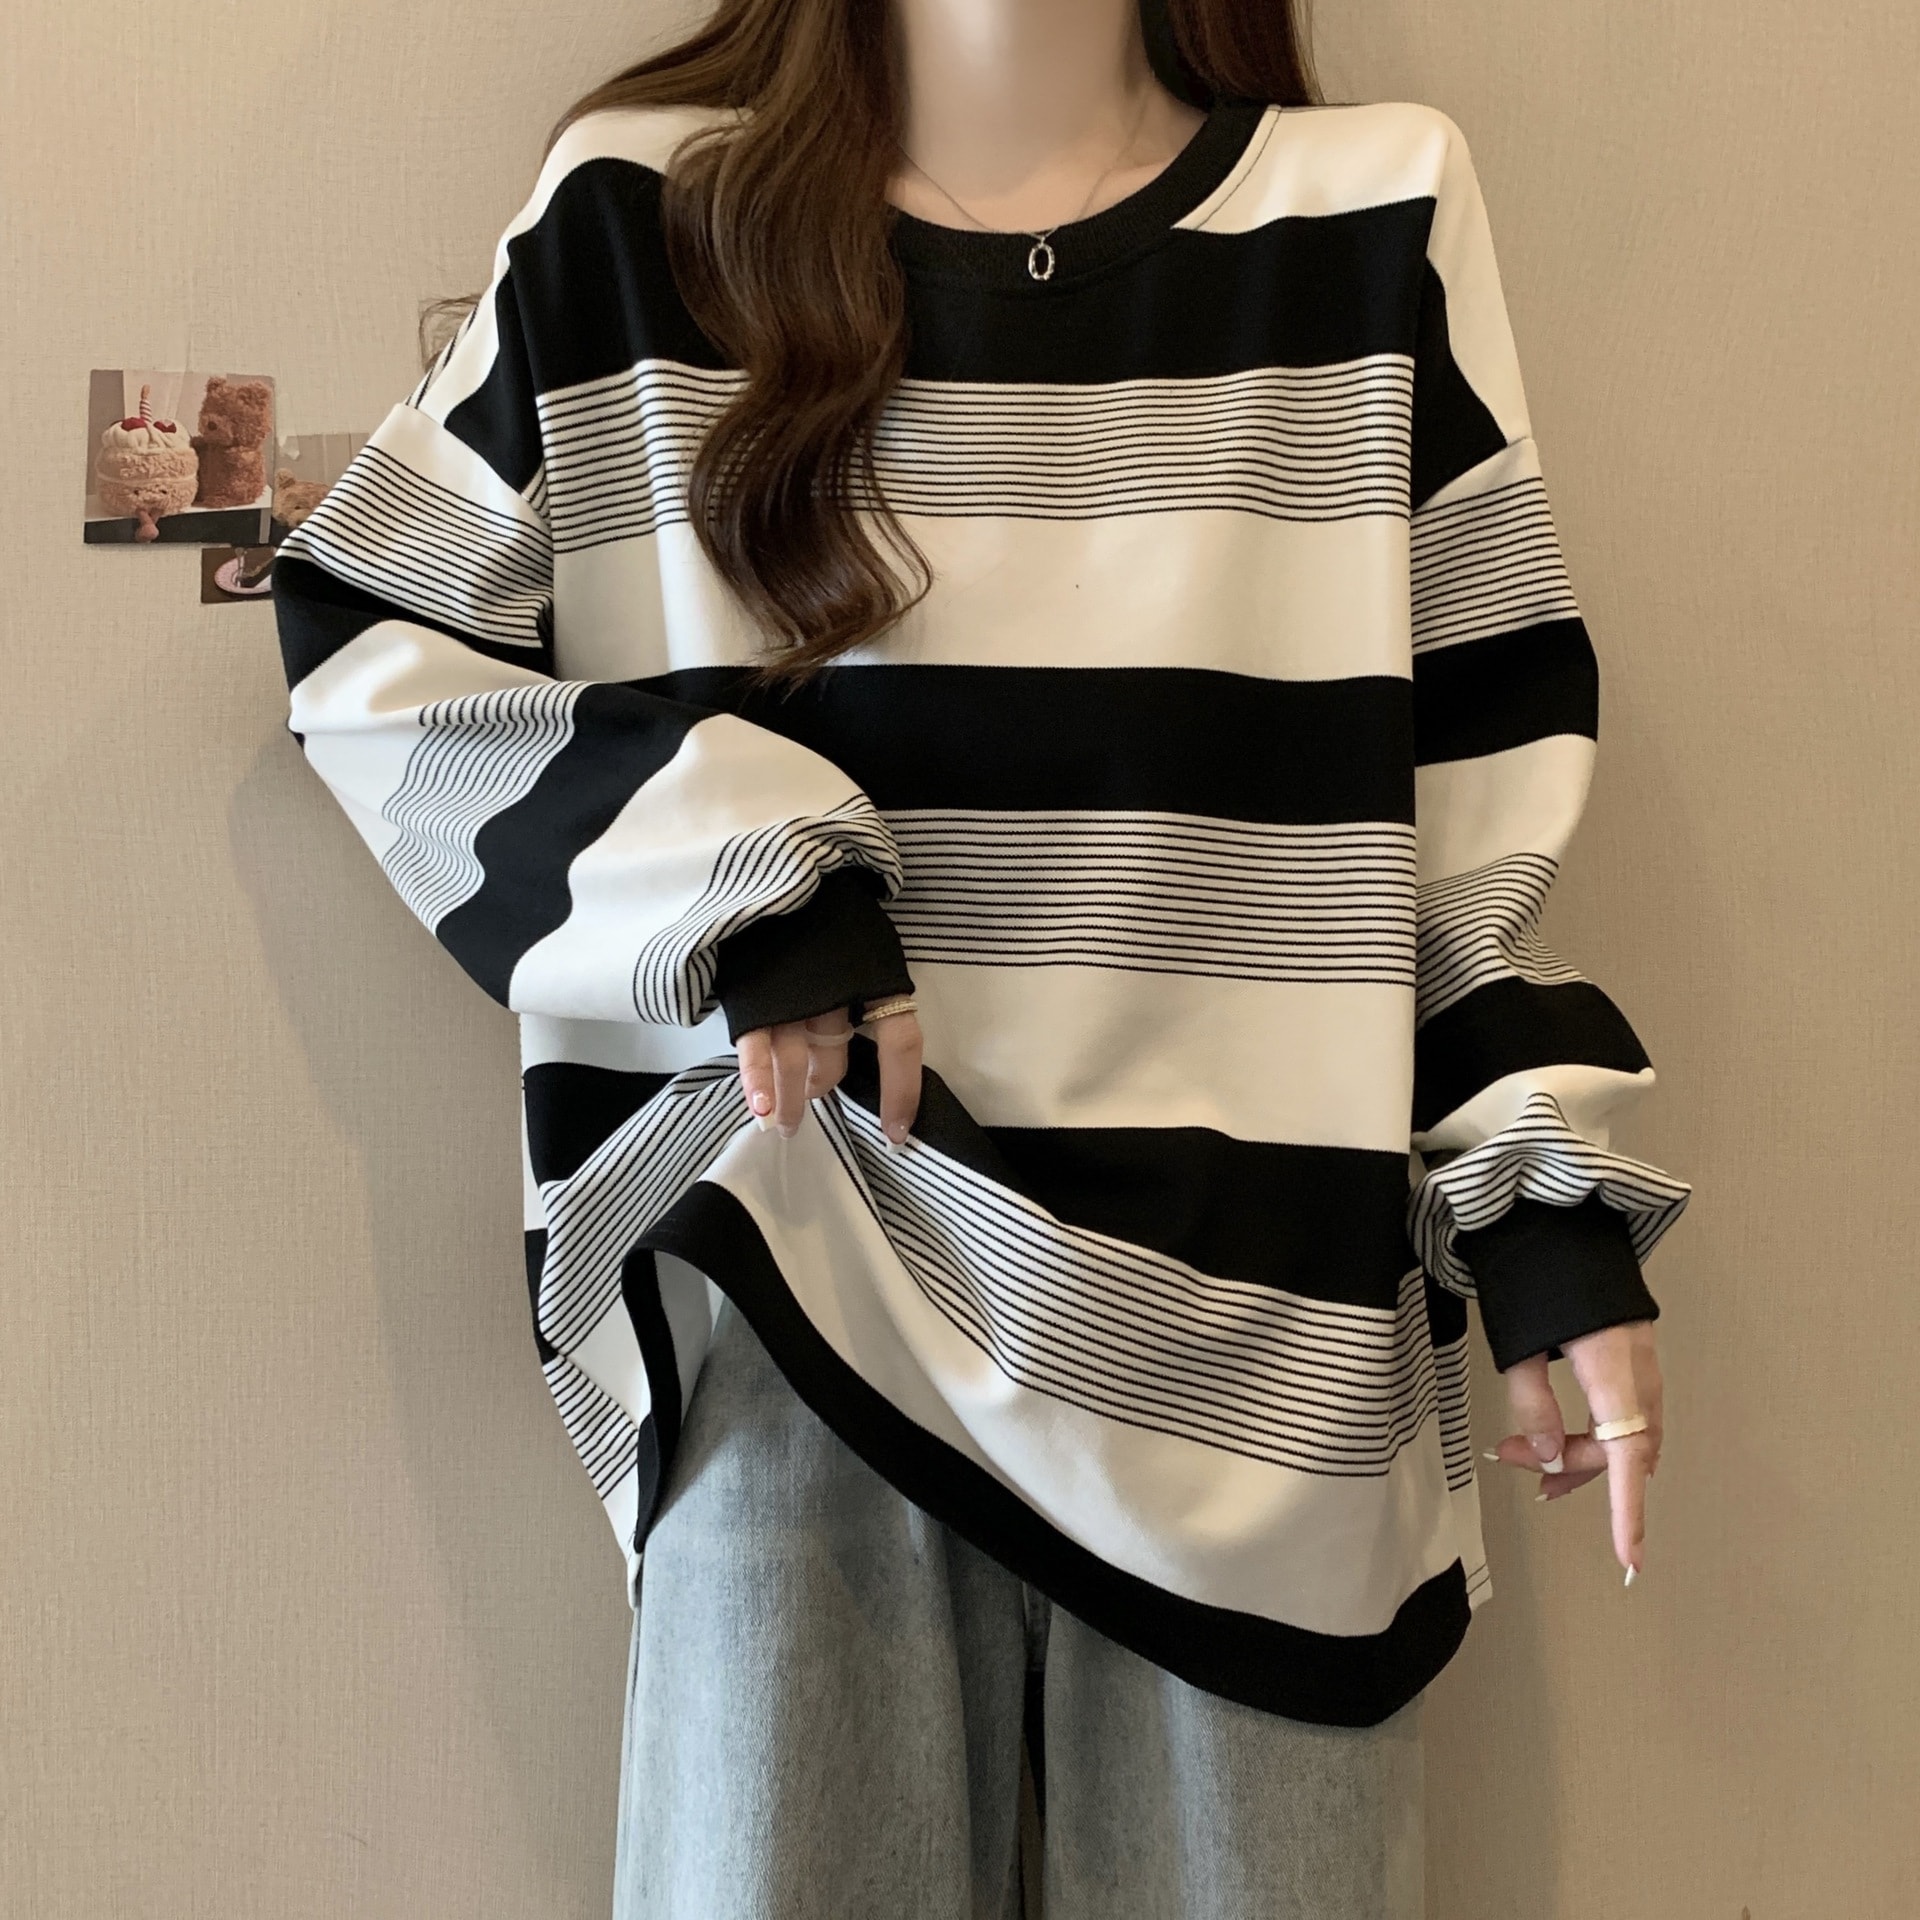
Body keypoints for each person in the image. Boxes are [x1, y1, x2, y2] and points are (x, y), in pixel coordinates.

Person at [271, 0, 1692, 1912]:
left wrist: (1536, 1208)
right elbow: (371, 652)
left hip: (1262, 1372)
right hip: (812, 1295)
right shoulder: (644, 221)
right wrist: (750, 889)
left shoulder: (1370, 215)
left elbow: (1458, 797)